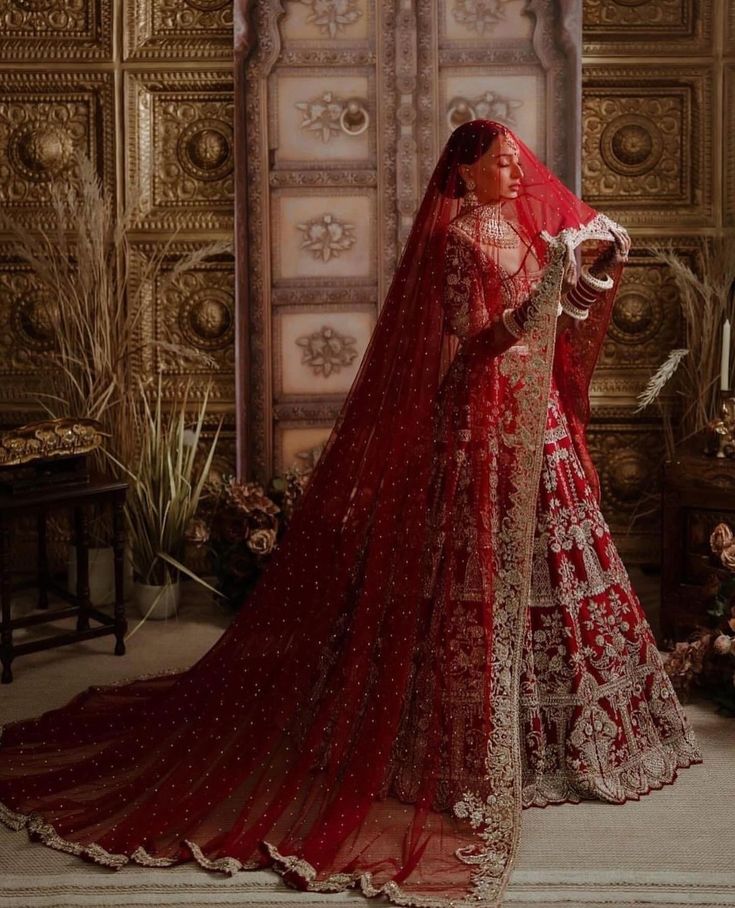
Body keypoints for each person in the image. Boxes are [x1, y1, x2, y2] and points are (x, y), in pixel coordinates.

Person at [0, 120, 703, 908]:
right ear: (464, 173)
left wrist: (591, 264)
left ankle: (572, 737)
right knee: (462, 579)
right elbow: (471, 339)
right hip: (477, 422)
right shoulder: (461, 241)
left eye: (516, 159)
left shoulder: (521, 224)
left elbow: (557, 312)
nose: (516, 169)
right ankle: (461, 745)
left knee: (559, 570)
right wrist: (543, 293)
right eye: (499, 161)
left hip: (531, 420)